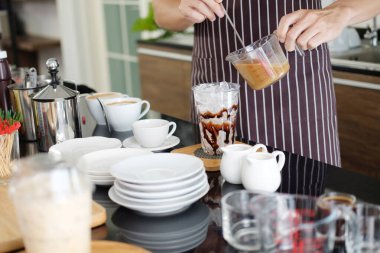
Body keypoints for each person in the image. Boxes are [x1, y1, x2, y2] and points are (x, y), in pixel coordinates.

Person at [152, 0, 380, 196]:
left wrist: (342, 11)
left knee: (305, 221)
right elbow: (162, 11)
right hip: (219, 98)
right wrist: (184, 8)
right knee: (218, 217)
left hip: (300, 92)